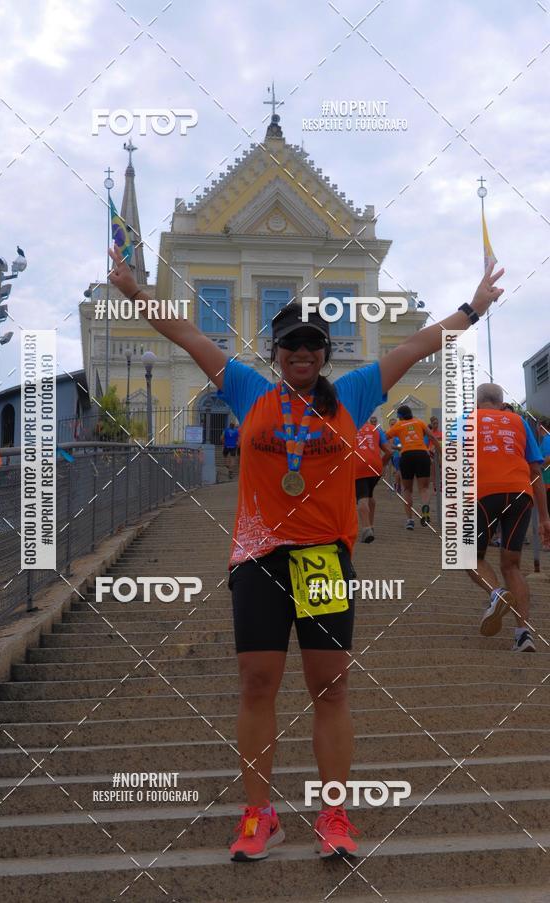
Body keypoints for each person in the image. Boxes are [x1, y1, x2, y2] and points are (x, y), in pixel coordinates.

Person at [108, 245, 504, 862]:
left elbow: (416, 346)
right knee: (257, 682)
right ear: (275, 351)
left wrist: (472, 309)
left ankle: (335, 814)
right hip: (259, 558)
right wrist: (133, 290)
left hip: (323, 558)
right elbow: (184, 330)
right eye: (291, 343)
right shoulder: (243, 388)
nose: (302, 353)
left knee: (330, 689)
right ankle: (260, 814)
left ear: (324, 353)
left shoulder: (354, 392)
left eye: (313, 344)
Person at [466, 384, 550, 651]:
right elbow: (535, 469)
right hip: (520, 493)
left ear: (477, 403)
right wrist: (545, 517)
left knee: (468, 556)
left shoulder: (466, 421)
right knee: (511, 565)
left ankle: (497, 594)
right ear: (502, 403)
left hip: (482, 493)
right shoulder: (518, 421)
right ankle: (523, 634)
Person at [386, 405, 441, 530]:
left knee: (407, 489)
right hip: (422, 454)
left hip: (406, 456)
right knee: (424, 488)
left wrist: (394, 447)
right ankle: (425, 506)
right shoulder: (420, 422)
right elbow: (432, 437)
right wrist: (441, 452)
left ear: (400, 416)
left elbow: (385, 437)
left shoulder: (398, 425)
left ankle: (410, 520)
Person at [355, 415, 393, 542]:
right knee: (369, 495)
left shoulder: (348, 427)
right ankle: (371, 526)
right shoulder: (376, 429)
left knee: (362, 498)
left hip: (357, 464)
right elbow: (389, 451)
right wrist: (382, 465)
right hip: (375, 465)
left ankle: (366, 529)